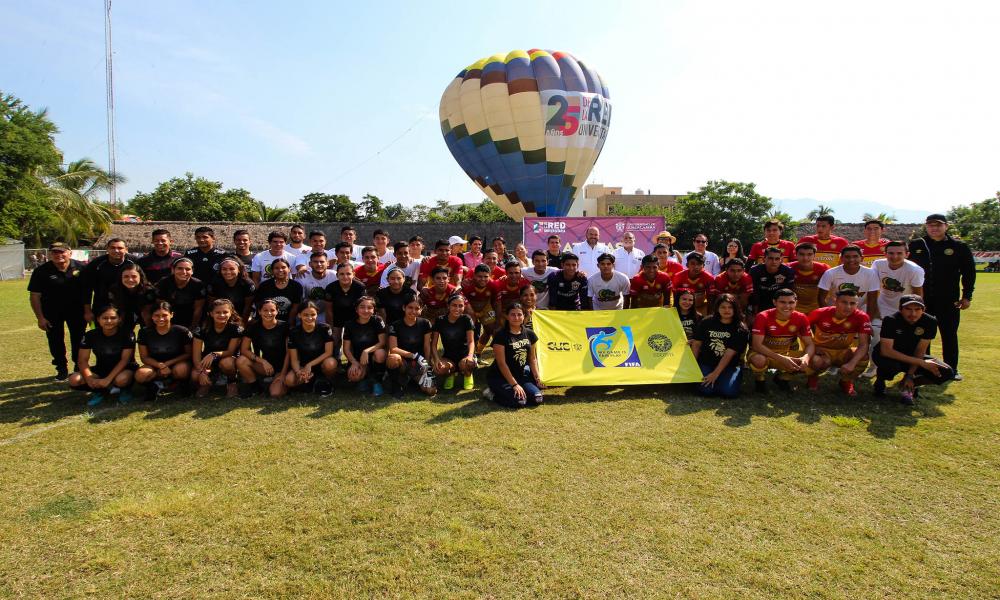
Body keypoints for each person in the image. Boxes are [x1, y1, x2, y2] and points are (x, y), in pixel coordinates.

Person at [907, 213, 975, 379]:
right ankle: (923, 367)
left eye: (938, 225)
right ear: (926, 226)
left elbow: (969, 273)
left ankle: (951, 369)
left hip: (948, 299)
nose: (934, 228)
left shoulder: (959, 246)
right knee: (921, 334)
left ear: (946, 226)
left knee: (949, 334)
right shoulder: (918, 244)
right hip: (922, 299)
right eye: (931, 225)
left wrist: (967, 296)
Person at [872, 294, 955, 404]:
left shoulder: (930, 322)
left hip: (913, 356)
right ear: (900, 309)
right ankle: (881, 378)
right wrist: (921, 362)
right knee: (890, 367)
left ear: (923, 309)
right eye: (908, 309)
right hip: (890, 356)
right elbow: (886, 351)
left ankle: (910, 384)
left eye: (917, 309)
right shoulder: (891, 320)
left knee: (947, 372)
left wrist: (910, 376)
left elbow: (920, 351)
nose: (913, 314)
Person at [29, 242, 87, 380]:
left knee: (78, 340)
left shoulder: (82, 268)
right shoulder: (41, 271)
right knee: (55, 340)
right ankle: (61, 368)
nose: (59, 255)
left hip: (77, 312)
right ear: (50, 254)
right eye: (55, 252)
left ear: (70, 253)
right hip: (51, 313)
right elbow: (35, 296)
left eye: (62, 252)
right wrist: (40, 318)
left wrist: (88, 310)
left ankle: (78, 367)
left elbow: (89, 291)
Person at [867, 241, 925, 377]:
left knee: (903, 341)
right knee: (875, 336)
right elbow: (873, 289)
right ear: (885, 254)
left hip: (904, 308)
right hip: (882, 305)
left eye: (899, 253)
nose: (895, 256)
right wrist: (874, 309)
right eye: (891, 253)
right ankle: (873, 367)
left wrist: (914, 313)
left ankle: (910, 371)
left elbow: (918, 294)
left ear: (907, 254)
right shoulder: (878, 264)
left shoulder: (915, 270)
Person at [805, 290, 872, 397]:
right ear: (835, 301)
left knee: (863, 356)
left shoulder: (862, 317)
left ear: (857, 304)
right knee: (816, 360)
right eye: (844, 302)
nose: (848, 307)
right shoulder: (820, 313)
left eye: (852, 303)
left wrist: (852, 363)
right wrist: (812, 346)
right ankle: (812, 378)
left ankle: (846, 381)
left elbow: (864, 344)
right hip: (822, 351)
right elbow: (801, 329)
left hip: (843, 351)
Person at [68, 305, 136, 406]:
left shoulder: (127, 334)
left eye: (113, 318)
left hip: (124, 369)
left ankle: (124, 390)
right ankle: (99, 392)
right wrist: (89, 379)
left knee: (121, 380)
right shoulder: (90, 335)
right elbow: (82, 360)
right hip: (101, 369)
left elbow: (125, 360)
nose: (109, 321)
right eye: (105, 318)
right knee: (74, 379)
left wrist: (108, 379)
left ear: (119, 319)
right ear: (98, 319)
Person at [749, 289, 814, 392]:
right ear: (774, 302)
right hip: (763, 353)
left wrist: (806, 358)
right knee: (759, 360)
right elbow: (757, 345)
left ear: (796, 302)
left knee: (813, 360)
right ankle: (759, 380)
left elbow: (810, 344)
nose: (787, 306)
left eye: (791, 302)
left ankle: (783, 379)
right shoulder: (763, 316)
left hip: (785, 353)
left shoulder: (801, 318)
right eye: (782, 302)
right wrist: (782, 359)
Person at [690, 293, 749, 398]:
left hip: (729, 366)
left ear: (735, 309)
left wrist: (715, 374)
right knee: (706, 391)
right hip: (706, 363)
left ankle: (726, 379)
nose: (726, 310)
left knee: (728, 392)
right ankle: (714, 382)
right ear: (717, 308)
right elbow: (696, 344)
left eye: (730, 307)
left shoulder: (741, 328)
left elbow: (729, 354)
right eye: (723, 307)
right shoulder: (706, 322)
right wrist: (692, 367)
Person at [135, 302, 194, 401]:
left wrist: (167, 364)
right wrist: (159, 365)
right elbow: (144, 357)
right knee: (141, 375)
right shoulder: (144, 332)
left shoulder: (182, 331)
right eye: (157, 315)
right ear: (152, 317)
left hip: (177, 363)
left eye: (164, 315)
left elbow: (188, 354)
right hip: (155, 365)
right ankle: (154, 387)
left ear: (171, 315)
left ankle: (181, 385)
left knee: (181, 370)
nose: (161, 319)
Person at [488, 303, 543, 408]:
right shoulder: (501, 335)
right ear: (507, 317)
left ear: (524, 316)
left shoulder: (530, 334)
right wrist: (514, 385)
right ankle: (491, 394)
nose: (516, 317)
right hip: (500, 377)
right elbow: (501, 363)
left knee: (538, 398)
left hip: (521, 375)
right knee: (519, 402)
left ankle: (523, 391)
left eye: (519, 314)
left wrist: (537, 378)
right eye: (513, 315)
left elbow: (532, 359)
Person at [236, 298, 289, 399]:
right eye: (265, 310)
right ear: (259, 312)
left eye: (272, 310)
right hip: (265, 366)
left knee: (275, 394)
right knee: (241, 360)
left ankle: (280, 382)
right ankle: (255, 387)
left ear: (277, 311)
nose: (269, 313)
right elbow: (244, 350)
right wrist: (263, 361)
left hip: (283, 367)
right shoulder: (253, 327)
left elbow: (289, 353)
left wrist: (283, 373)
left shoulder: (284, 326)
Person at [191, 299, 244, 398]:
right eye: (218, 312)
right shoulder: (202, 328)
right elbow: (196, 356)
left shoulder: (236, 328)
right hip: (208, 360)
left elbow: (230, 351)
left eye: (225, 312)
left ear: (231, 312)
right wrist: (202, 372)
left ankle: (232, 382)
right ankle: (207, 383)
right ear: (211, 313)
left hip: (228, 357)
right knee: (195, 375)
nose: (222, 315)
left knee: (226, 363)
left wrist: (214, 354)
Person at [386, 296, 437, 398]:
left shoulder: (425, 323)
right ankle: (396, 386)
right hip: (403, 363)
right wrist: (414, 356)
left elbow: (427, 346)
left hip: (420, 364)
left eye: (417, 308)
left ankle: (412, 380)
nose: (413, 311)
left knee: (431, 391)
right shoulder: (395, 325)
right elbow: (393, 348)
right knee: (393, 358)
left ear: (421, 310)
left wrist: (427, 366)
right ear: (404, 308)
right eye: (410, 307)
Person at [285, 301, 337, 396]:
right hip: (303, 366)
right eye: (305, 315)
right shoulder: (293, 332)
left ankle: (326, 382)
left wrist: (309, 365)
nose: (309, 318)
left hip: (322, 364)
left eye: (313, 314)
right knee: (289, 381)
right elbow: (294, 359)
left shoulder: (325, 328)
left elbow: (328, 352)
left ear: (317, 314)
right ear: (299, 315)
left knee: (331, 363)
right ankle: (310, 380)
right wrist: (298, 372)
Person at [342, 296, 387, 396]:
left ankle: (377, 381)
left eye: (369, 307)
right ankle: (365, 380)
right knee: (354, 375)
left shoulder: (377, 321)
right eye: (362, 307)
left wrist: (366, 351)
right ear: (356, 309)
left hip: (373, 358)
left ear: (374, 310)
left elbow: (382, 342)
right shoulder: (349, 324)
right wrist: (354, 362)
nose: (366, 310)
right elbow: (346, 349)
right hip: (358, 359)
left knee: (380, 353)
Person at [83, 238, 136, 321]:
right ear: (107, 249)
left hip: (128, 305)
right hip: (102, 304)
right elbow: (87, 289)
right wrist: (88, 311)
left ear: (126, 249)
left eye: (120, 248)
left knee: (126, 332)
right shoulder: (96, 264)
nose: (116, 251)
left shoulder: (135, 262)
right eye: (113, 248)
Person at [431, 293, 477, 391]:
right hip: (449, 357)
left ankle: (468, 375)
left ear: (464, 307)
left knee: (467, 364)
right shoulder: (440, 320)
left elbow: (471, 341)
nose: (457, 308)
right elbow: (434, 344)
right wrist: (436, 359)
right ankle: (450, 374)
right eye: (454, 305)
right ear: (448, 306)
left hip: (464, 356)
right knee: (439, 369)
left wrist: (470, 356)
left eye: (460, 306)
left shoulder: (466, 319)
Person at [817, 245, 880, 315]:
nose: (851, 260)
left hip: (860, 313)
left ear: (862, 258)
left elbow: (872, 301)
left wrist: (867, 321)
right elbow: (821, 298)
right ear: (841, 259)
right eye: (847, 257)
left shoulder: (871, 274)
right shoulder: (830, 273)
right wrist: (829, 316)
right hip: (835, 312)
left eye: (855, 256)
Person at [324, 262, 366, 356]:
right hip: (337, 317)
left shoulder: (360, 287)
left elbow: (362, 307)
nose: (345, 277)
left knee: (354, 340)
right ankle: (335, 360)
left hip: (354, 318)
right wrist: (330, 327)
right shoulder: (330, 288)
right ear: (337, 275)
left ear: (353, 274)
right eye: (342, 274)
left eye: (348, 274)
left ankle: (353, 361)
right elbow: (328, 310)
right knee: (334, 339)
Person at [155, 257, 206, 328]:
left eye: (188, 269)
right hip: (169, 317)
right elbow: (161, 307)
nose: (184, 272)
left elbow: (198, 309)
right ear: (173, 270)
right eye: (180, 268)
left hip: (190, 317)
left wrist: (192, 327)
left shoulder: (198, 285)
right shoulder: (164, 283)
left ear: (192, 271)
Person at [462, 264, 501, 355]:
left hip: (485, 308)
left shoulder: (494, 285)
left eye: (485, 277)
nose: (483, 279)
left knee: (491, 329)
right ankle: (467, 354)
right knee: (469, 331)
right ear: (474, 276)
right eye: (479, 276)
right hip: (470, 308)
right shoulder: (466, 285)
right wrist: (470, 311)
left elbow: (497, 303)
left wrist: (498, 322)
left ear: (490, 276)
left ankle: (478, 352)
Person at [108, 261, 157, 332]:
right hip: (125, 312)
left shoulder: (149, 291)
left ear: (140, 277)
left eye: (134, 276)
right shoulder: (115, 290)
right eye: (126, 276)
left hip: (144, 314)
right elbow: (114, 308)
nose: (130, 280)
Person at [253, 258, 302, 323]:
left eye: (283, 267)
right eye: (276, 268)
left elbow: (295, 308)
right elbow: (259, 306)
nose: (280, 270)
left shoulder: (296, 286)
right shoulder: (264, 286)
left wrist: (289, 325)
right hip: (266, 322)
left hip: (287, 322)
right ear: (272, 270)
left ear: (289, 269)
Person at [207, 257, 255, 323]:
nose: (228, 272)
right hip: (220, 315)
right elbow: (211, 305)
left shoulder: (248, 284)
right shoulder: (214, 284)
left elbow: (248, 307)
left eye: (232, 269)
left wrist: (242, 323)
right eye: (224, 269)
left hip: (241, 315)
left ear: (239, 270)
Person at [749, 247, 795, 315]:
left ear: (781, 260)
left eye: (777, 259)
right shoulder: (755, 271)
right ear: (764, 259)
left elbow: (788, 293)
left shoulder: (788, 271)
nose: (774, 261)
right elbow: (754, 293)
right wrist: (754, 313)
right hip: (760, 302)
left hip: (779, 303)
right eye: (770, 258)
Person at [787, 242, 829, 315]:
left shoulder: (823, 269)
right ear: (796, 255)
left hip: (815, 307)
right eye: (801, 254)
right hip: (793, 307)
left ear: (814, 255)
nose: (805, 258)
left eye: (809, 254)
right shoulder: (788, 268)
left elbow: (824, 295)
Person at [297, 252, 336, 324]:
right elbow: (299, 302)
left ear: (327, 263)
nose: (319, 264)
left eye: (322, 262)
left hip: (328, 313)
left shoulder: (335, 276)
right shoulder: (302, 277)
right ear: (310, 264)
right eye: (315, 262)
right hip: (308, 314)